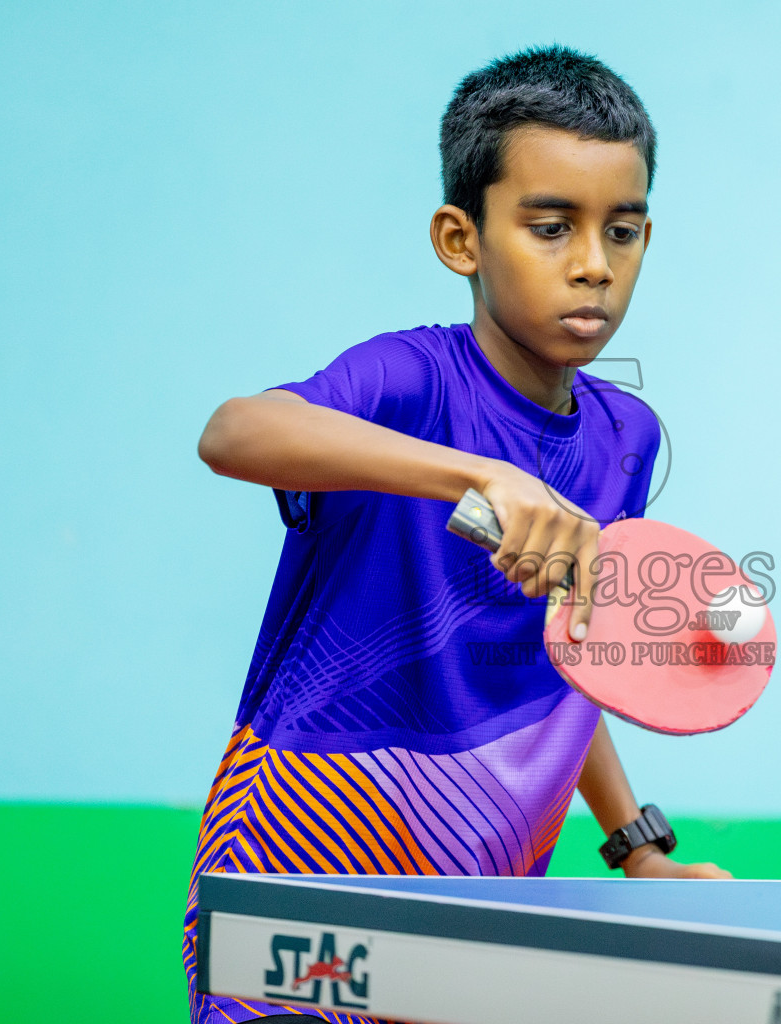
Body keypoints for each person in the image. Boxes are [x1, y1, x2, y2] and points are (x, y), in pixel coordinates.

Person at [181, 45, 729, 1024]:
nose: (595, 263)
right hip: (304, 866)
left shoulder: (624, 439)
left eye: (625, 229)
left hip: (487, 880)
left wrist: (638, 847)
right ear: (460, 237)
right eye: (551, 226)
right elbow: (234, 432)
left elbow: (573, 662)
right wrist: (474, 472)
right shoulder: (407, 381)